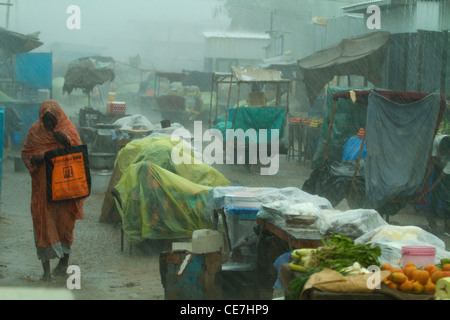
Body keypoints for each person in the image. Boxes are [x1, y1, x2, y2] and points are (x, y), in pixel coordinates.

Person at [22, 100, 86, 281]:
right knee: (43, 226)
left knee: (65, 227)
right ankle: (46, 272)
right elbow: (25, 154)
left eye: (52, 121)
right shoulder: (35, 131)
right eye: (46, 121)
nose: (49, 125)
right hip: (43, 192)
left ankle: (63, 264)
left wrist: (66, 142)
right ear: (41, 118)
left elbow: (79, 156)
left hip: (65, 190)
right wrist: (34, 160)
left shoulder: (68, 129)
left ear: (58, 117)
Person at [420, 135, 450, 229]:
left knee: (447, 197)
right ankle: (432, 221)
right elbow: (432, 161)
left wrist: (426, 192)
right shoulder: (437, 140)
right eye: (440, 149)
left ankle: (447, 224)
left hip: (447, 170)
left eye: (444, 151)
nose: (441, 152)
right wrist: (423, 185)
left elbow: (440, 178)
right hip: (439, 165)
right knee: (435, 195)